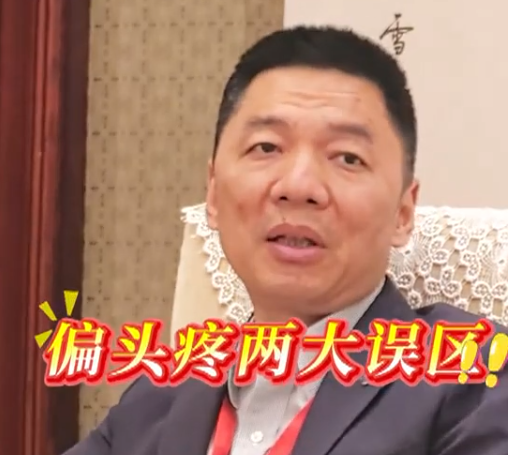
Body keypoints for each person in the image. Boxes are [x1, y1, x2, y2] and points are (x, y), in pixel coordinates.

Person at [65, 26, 508, 455]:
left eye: (347, 157)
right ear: (213, 193)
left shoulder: (473, 375)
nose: (298, 186)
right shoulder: (158, 395)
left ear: (403, 212)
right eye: (266, 147)